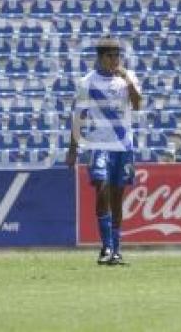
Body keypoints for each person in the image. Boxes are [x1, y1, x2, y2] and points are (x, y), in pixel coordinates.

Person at [66, 37, 143, 266]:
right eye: (110, 56)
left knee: (118, 197)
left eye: (117, 55)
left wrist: (128, 81)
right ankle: (107, 245)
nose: (115, 60)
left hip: (123, 146)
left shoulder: (127, 78)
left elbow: (138, 104)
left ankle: (115, 248)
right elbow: (79, 117)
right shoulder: (87, 82)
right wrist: (73, 149)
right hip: (99, 145)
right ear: (100, 58)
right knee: (102, 189)